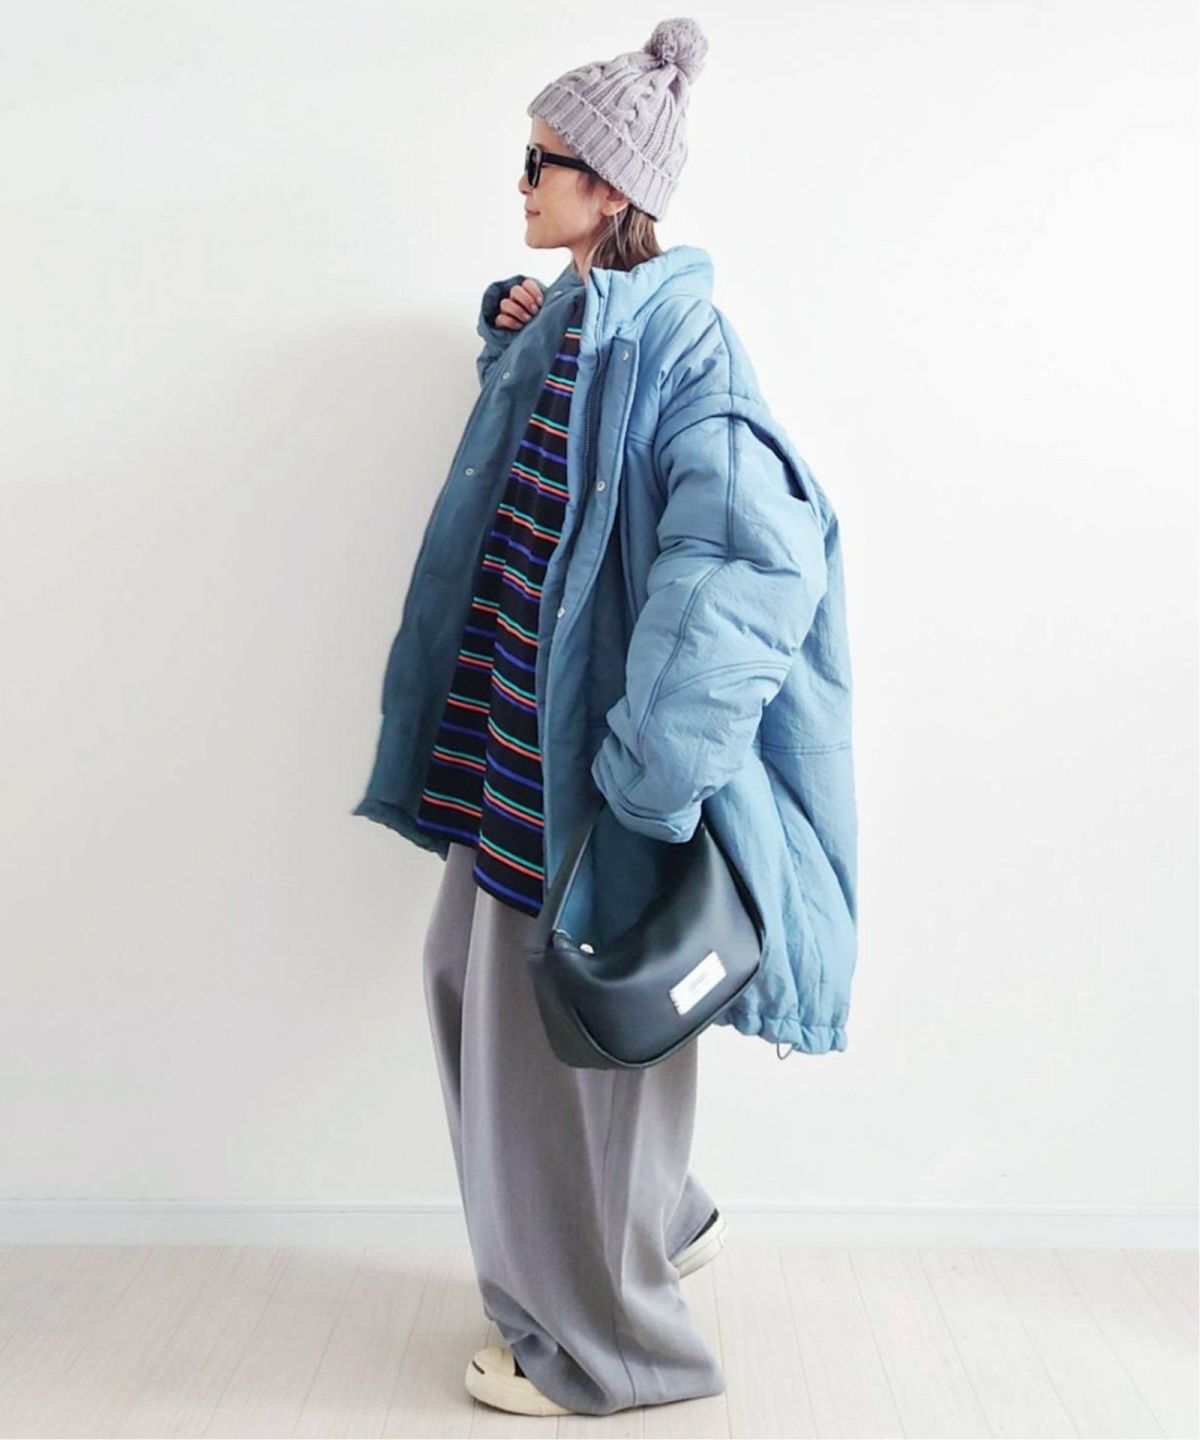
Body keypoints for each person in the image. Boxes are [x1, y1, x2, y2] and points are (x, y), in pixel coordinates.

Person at [352, 16, 858, 1419]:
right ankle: (653, 1226)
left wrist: (652, 779)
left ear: (612, 188)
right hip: (515, 744)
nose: (520, 182)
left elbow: (753, 559)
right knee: (474, 989)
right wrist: (510, 339)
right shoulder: (584, 318)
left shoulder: (685, 346)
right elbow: (565, 494)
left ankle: (616, 1348)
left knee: (572, 1043)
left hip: (598, 770)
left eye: (544, 162)